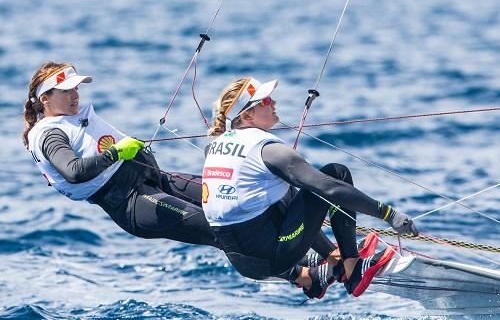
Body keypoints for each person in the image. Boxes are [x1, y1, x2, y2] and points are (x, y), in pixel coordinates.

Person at [22, 61, 342, 274]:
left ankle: (333, 256)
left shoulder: (73, 118)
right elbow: (74, 171)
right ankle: (304, 274)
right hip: (134, 204)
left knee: (238, 199)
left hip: (156, 179)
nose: (75, 95)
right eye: (66, 91)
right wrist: (117, 152)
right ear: (45, 99)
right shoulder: (50, 133)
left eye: (77, 88)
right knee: (224, 228)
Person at [202, 77, 419, 298]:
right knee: (336, 174)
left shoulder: (215, 146)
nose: (273, 102)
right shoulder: (267, 150)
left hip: (244, 262)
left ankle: (332, 260)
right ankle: (353, 271)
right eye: (265, 100)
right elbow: (329, 188)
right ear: (247, 116)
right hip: (274, 258)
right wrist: (388, 214)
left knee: (279, 190)